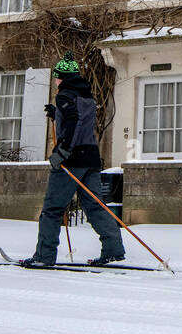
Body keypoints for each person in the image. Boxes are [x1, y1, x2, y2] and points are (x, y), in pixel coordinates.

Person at [20, 54, 126, 269]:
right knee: (95, 207)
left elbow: (73, 123)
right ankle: (114, 251)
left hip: (72, 159)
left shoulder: (65, 95)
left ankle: (44, 256)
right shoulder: (87, 96)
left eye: (57, 77)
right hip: (91, 158)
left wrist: (62, 151)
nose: (56, 81)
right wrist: (57, 113)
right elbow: (78, 119)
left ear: (62, 77)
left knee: (52, 209)